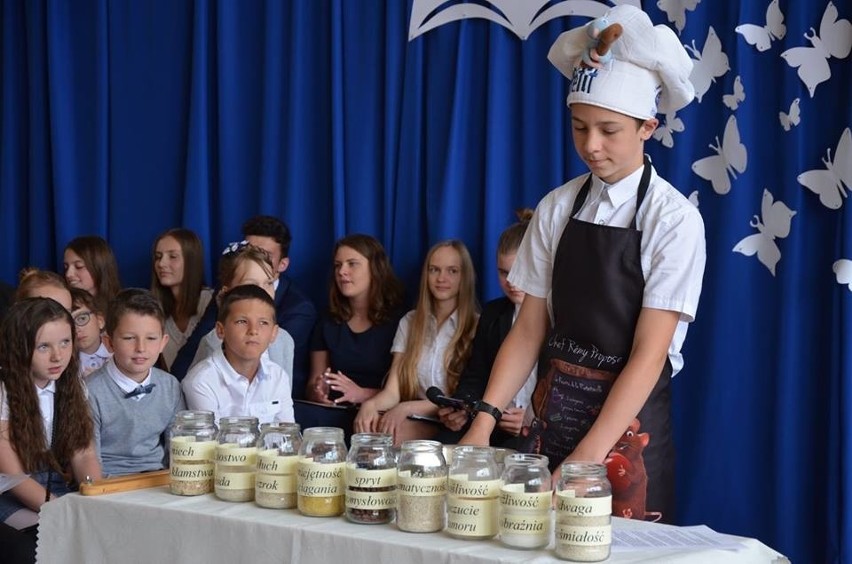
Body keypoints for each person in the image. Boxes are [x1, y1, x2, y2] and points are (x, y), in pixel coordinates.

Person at [460, 5, 706, 525]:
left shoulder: (674, 220)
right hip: (552, 420)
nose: (591, 146)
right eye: (579, 127)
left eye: (608, 130)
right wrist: (482, 420)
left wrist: (584, 462)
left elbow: (649, 353)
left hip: (627, 437)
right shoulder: (556, 207)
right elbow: (529, 330)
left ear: (647, 127)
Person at [0, 298, 101, 557]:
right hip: (10, 493)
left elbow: (83, 452)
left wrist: (94, 496)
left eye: (65, 342)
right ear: (20, 347)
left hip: (54, 488)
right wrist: (66, 512)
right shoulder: (4, 393)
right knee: (45, 545)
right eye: (43, 346)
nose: (58, 356)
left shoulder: (73, 383)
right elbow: (14, 478)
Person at [354, 240, 478, 445]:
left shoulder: (477, 325)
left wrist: (407, 407)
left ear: (465, 277)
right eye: (434, 270)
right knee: (371, 428)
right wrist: (370, 405)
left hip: (456, 421)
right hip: (419, 417)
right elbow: (392, 392)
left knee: (391, 437)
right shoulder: (410, 322)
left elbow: (462, 399)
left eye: (452, 271)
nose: (441, 278)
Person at [436, 211, 537, 447]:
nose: (511, 281)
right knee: (442, 449)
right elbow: (475, 376)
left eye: (519, 270)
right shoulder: (493, 313)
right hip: (492, 426)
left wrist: (533, 417)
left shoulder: (561, 317)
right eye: (503, 272)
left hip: (540, 432)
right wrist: (461, 409)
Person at [300, 234, 405, 437]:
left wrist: (362, 394)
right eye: (338, 265)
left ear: (375, 268)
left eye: (352, 264)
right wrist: (318, 391)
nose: (342, 272)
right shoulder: (328, 319)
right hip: (335, 409)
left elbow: (406, 390)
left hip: (378, 412)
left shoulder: (400, 320)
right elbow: (315, 380)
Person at [86, 289, 185, 476]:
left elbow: (177, 447)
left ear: (163, 342)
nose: (141, 348)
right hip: (110, 481)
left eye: (151, 338)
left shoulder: (170, 386)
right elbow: (89, 456)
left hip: (158, 479)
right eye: (129, 338)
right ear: (109, 342)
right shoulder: (91, 390)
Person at [182, 285, 295, 425]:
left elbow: (288, 435)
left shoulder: (278, 377)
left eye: (263, 323)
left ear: (274, 333)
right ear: (221, 330)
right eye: (241, 322)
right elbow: (212, 443)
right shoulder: (201, 382)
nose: (253, 330)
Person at [189, 242, 295, 379]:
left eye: (268, 283)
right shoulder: (212, 343)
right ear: (227, 293)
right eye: (251, 285)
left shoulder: (284, 340)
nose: (264, 293)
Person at [242, 215, 317, 399]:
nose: (255, 261)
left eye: (264, 255)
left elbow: (266, 361)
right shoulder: (225, 291)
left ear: (282, 264)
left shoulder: (299, 308)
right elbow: (196, 346)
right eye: (249, 252)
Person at [150, 228, 214, 379]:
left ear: (191, 260)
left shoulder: (211, 302)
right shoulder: (154, 308)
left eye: (172, 256)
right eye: (158, 257)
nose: (161, 263)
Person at [63, 236, 122, 309]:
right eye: (66, 267)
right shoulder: (63, 305)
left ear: (98, 268)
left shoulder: (121, 307)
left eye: (79, 267)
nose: (68, 274)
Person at [70, 288, 111, 378]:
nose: (76, 329)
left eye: (82, 318)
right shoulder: (66, 367)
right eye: (69, 324)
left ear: (100, 321)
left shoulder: (117, 353)